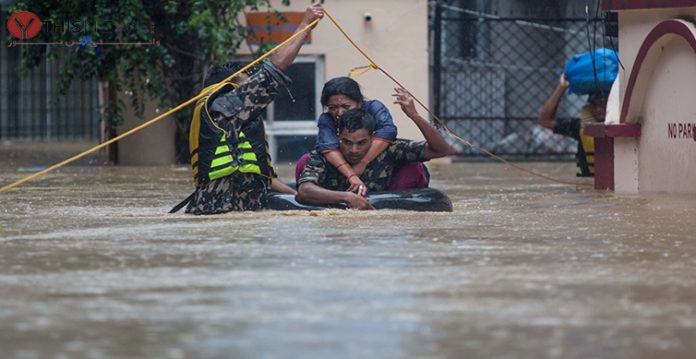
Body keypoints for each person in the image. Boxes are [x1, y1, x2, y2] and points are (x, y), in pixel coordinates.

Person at [174, 4, 323, 215]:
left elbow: (265, 177)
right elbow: (274, 70)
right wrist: (305, 25)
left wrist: (302, 196)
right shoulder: (224, 107)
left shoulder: (223, 114)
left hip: (235, 212)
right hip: (223, 214)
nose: (251, 87)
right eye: (247, 83)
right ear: (230, 85)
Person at [296, 87, 450, 209]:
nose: (354, 150)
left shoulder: (389, 149)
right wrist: (346, 197)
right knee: (304, 160)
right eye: (347, 142)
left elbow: (441, 150)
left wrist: (414, 115)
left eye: (361, 143)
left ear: (373, 138)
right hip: (338, 205)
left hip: (388, 211)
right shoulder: (324, 155)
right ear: (337, 138)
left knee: (414, 167)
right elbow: (305, 191)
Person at [538, 74, 607, 177]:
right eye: (594, 104)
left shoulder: (624, 128)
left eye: (603, 104)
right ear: (589, 106)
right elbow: (544, 121)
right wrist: (561, 89)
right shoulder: (579, 126)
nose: (599, 109)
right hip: (586, 186)